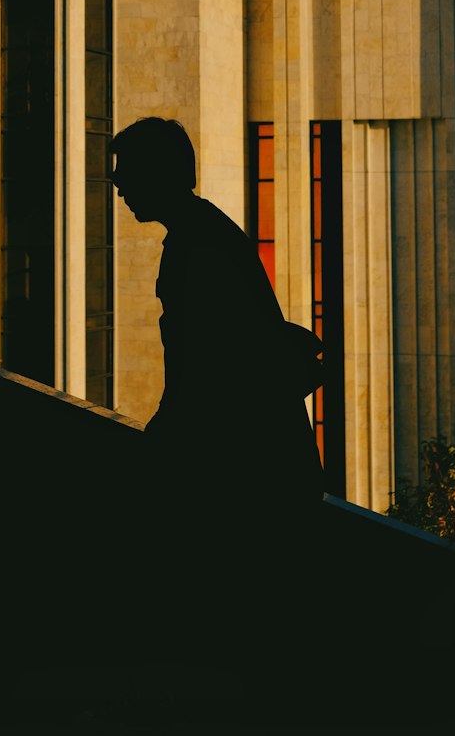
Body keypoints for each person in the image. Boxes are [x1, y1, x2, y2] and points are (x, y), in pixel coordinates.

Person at [111, 116, 324, 586]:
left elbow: (203, 373)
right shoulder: (203, 233)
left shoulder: (197, 247)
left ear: (157, 172)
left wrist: (160, 444)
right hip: (264, 466)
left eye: (124, 170)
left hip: (250, 475)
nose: (118, 183)